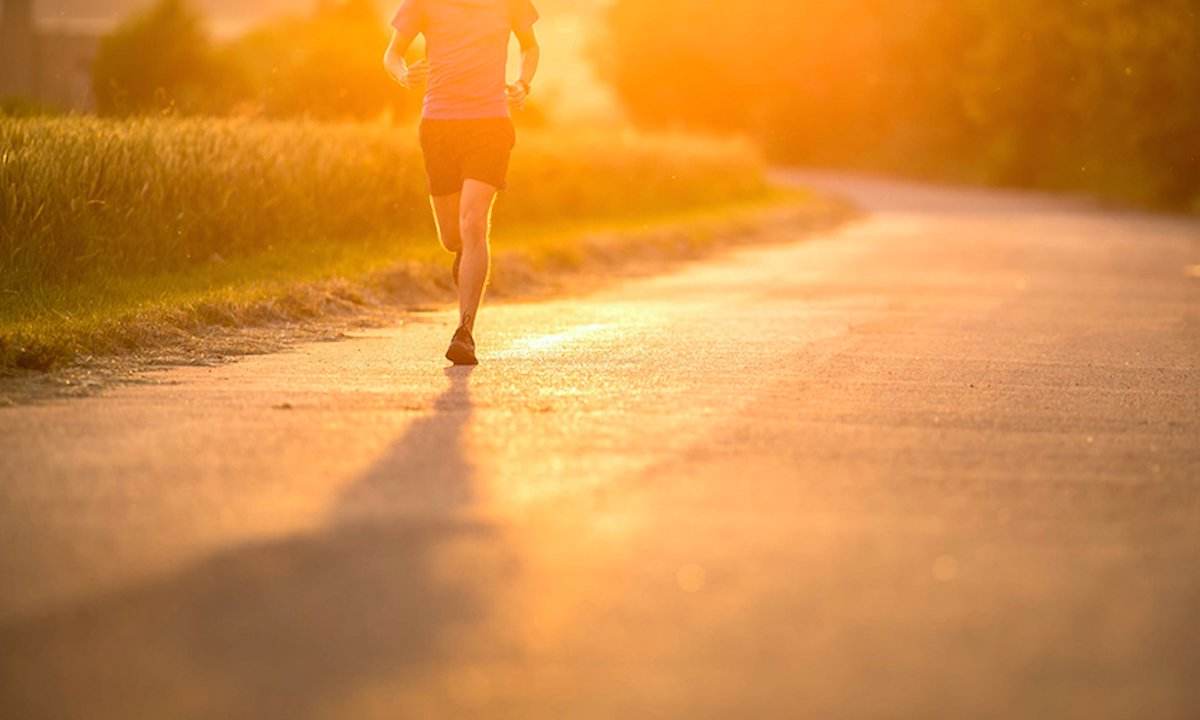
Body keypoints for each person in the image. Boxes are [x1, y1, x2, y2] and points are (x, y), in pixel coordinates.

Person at [383, 0, 541, 366]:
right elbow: (392, 54)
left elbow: (530, 46)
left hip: (490, 124)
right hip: (439, 125)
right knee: (452, 237)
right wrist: (403, 73)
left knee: (473, 222)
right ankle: (463, 256)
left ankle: (465, 332)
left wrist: (522, 83)